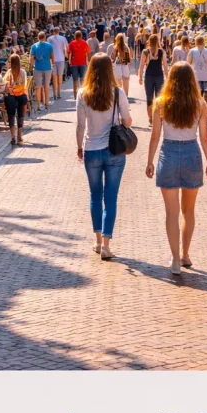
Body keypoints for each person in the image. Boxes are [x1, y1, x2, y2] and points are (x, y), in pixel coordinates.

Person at [146, 62, 207, 274]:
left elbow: (155, 135)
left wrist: (150, 161)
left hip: (169, 153)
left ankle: (175, 259)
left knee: (171, 212)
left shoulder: (161, 103)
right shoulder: (200, 104)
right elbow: (204, 137)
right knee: (189, 211)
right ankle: (185, 254)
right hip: (192, 153)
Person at [76, 53, 132, 262]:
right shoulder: (118, 93)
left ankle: (97, 239)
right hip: (114, 150)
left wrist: (79, 147)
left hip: (91, 148)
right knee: (111, 197)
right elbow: (127, 121)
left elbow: (80, 125)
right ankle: (107, 244)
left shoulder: (83, 94)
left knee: (94, 195)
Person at [139, 33, 168, 126]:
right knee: (159, 98)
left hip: (149, 77)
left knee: (149, 98)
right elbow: (165, 66)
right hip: (159, 76)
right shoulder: (161, 52)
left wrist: (140, 77)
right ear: (158, 41)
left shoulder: (145, 52)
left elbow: (141, 66)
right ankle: (159, 118)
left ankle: (151, 119)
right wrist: (168, 77)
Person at [2, 54, 28, 145]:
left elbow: (5, 85)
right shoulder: (23, 72)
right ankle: (19, 136)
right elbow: (25, 86)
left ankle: (12, 136)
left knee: (11, 115)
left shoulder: (8, 73)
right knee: (21, 116)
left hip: (11, 96)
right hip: (21, 95)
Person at [29, 31, 54, 112]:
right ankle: (47, 104)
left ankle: (39, 105)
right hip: (47, 68)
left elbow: (31, 59)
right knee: (46, 87)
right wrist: (52, 65)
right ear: (45, 37)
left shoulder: (33, 46)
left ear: (38, 37)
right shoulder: (49, 46)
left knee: (38, 88)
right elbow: (52, 57)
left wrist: (32, 66)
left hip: (37, 69)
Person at [187, 33, 207, 99]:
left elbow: (188, 62)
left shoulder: (192, 51)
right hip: (206, 74)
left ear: (196, 42)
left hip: (196, 75)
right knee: (206, 92)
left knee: (197, 93)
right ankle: (205, 105)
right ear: (203, 42)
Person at [67, 30, 91, 98]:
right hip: (82, 62)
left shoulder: (71, 43)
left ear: (75, 36)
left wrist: (69, 62)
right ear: (81, 35)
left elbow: (69, 53)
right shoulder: (84, 43)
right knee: (82, 79)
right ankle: (82, 95)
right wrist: (88, 62)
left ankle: (75, 95)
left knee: (75, 80)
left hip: (74, 63)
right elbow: (88, 52)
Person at [48, 26, 69, 101]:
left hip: (53, 60)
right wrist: (66, 56)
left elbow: (49, 49)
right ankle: (59, 92)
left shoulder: (49, 39)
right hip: (61, 59)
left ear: (53, 31)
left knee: (54, 77)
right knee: (60, 76)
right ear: (59, 31)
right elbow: (66, 48)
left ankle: (54, 94)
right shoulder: (63, 38)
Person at [111, 33, 132, 98]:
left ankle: (119, 96)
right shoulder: (126, 47)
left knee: (118, 81)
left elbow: (112, 58)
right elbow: (129, 59)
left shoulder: (115, 47)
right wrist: (129, 67)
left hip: (117, 65)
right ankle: (126, 96)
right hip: (125, 65)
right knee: (126, 80)